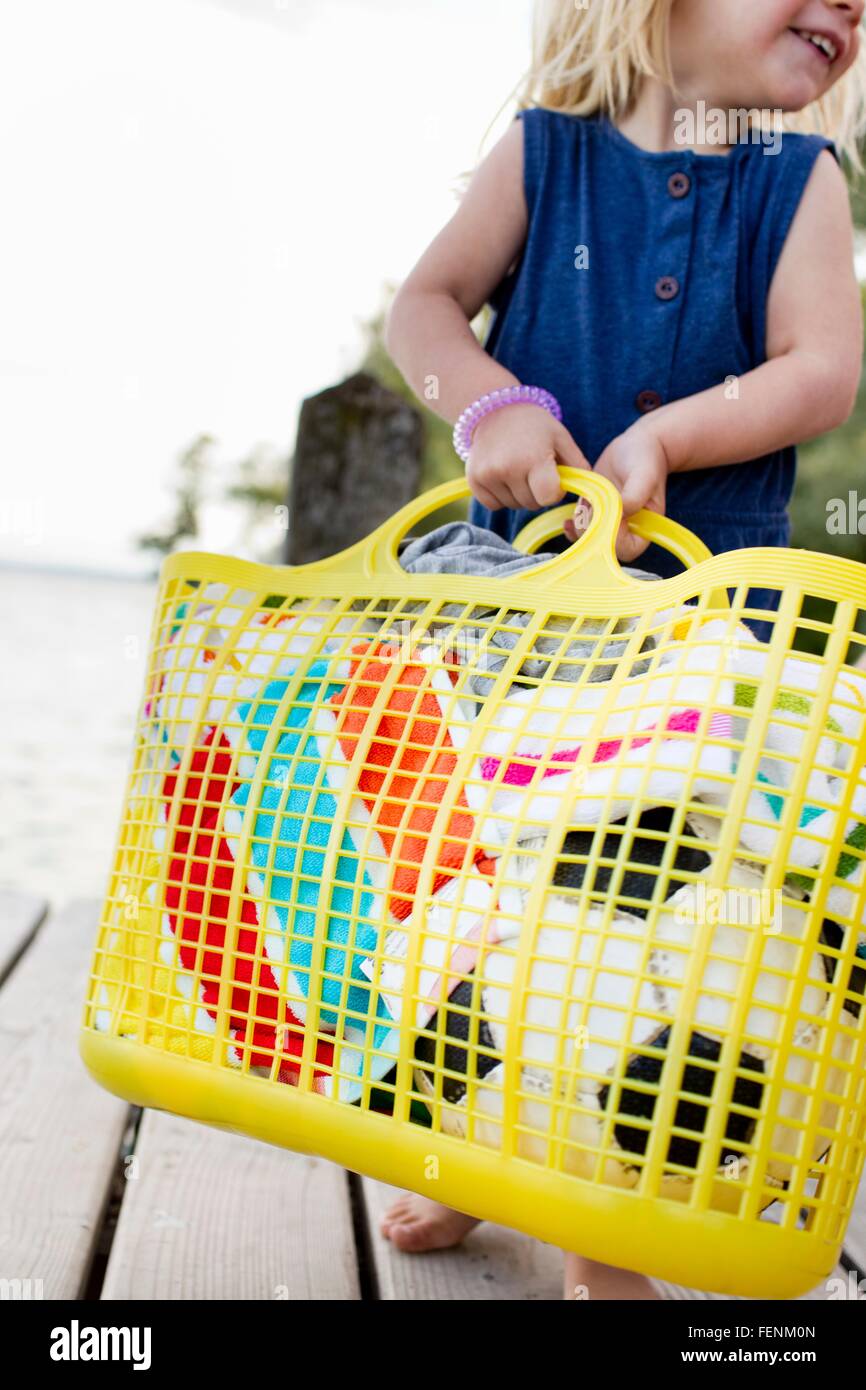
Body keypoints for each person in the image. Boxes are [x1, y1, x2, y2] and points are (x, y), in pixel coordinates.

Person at [382, 0, 866, 1298]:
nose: (849, 6)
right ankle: (460, 1145)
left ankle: (599, 1232)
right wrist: (487, 401)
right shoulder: (544, 153)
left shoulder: (798, 179)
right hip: (523, 614)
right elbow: (421, 305)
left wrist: (672, 437)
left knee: (642, 924)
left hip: (701, 646)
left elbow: (823, 368)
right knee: (485, 897)